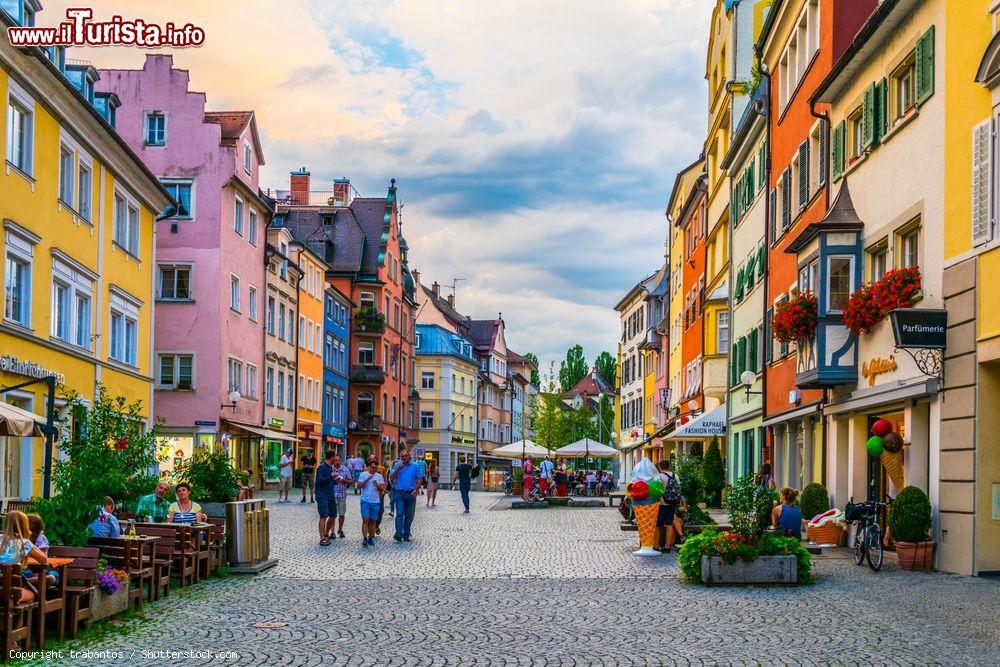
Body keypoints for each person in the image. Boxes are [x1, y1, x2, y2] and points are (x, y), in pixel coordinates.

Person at [0, 511, 49, 603]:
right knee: (32, 595)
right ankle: (16, 612)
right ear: (25, 526)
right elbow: (44, 559)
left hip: (2, 589)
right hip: (10, 592)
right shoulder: (24, 543)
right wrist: (27, 539)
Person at [389, 449, 423, 541]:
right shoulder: (397, 465)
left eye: (405, 456)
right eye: (402, 456)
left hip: (410, 492)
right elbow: (391, 478)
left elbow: (420, 478)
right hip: (399, 492)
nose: (404, 458)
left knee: (409, 515)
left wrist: (416, 490)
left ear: (409, 456)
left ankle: (406, 533)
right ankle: (398, 533)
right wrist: (399, 469)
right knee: (399, 513)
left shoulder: (415, 466)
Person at [357, 459, 386, 547]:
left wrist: (378, 485)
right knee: (365, 519)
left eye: (376, 468)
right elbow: (358, 486)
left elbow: (382, 489)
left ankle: (370, 538)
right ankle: (365, 538)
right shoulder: (363, 474)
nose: (374, 469)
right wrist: (367, 479)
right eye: (373, 467)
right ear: (369, 467)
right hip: (365, 500)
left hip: (375, 501)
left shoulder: (379, 476)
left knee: (373, 521)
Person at [655, 459, 681, 553]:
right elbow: (679, 489)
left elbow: (656, 490)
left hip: (661, 503)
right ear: (669, 466)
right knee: (669, 524)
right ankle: (667, 546)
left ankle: (656, 545)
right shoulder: (675, 476)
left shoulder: (659, 477)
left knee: (658, 525)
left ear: (660, 467)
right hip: (672, 503)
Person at [27, 514, 58, 588]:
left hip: (42, 569)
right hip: (26, 569)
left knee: (53, 576)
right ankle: (27, 582)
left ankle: (25, 582)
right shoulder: (21, 539)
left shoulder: (41, 538)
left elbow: (41, 557)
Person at [315, 450, 337, 546]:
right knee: (323, 516)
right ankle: (322, 538)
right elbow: (319, 481)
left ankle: (326, 532)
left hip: (330, 495)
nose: (335, 460)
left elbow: (329, 480)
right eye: (335, 458)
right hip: (322, 495)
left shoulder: (330, 468)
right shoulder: (321, 468)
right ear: (331, 457)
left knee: (333, 515)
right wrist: (331, 476)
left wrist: (337, 481)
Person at [331, 454, 353, 538]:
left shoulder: (345, 469)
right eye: (335, 460)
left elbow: (351, 481)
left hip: (342, 494)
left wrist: (344, 480)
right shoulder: (330, 469)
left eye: (338, 460)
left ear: (341, 460)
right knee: (332, 514)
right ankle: (332, 532)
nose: (337, 462)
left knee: (341, 514)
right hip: (332, 494)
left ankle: (340, 530)